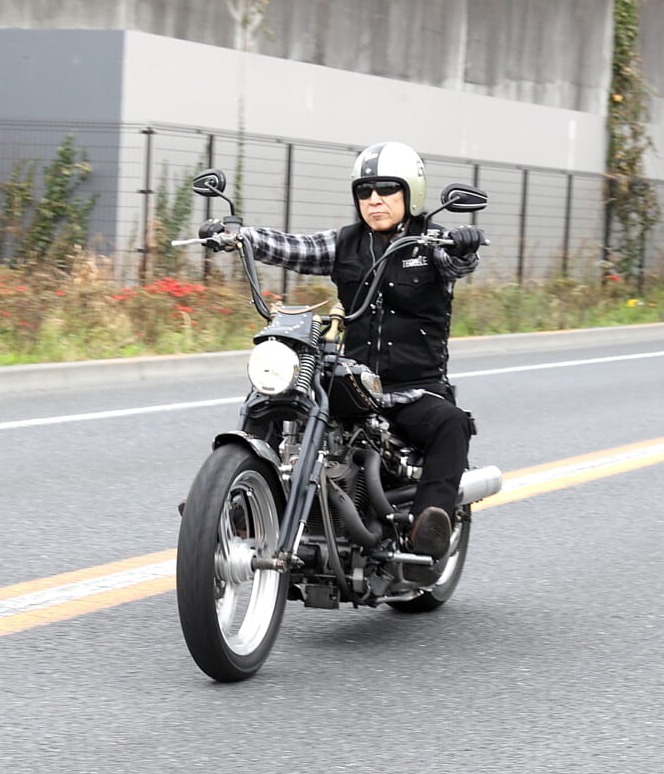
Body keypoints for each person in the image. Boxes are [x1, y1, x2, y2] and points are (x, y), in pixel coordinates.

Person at [199, 141, 485, 582]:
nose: (374, 200)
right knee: (273, 394)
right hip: (356, 383)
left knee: (451, 423)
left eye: (387, 190)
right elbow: (292, 247)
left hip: (415, 388)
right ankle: (231, 499)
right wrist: (240, 236)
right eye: (365, 192)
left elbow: (459, 263)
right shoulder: (344, 243)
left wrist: (464, 245)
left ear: (411, 193)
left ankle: (430, 526)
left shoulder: (433, 244)